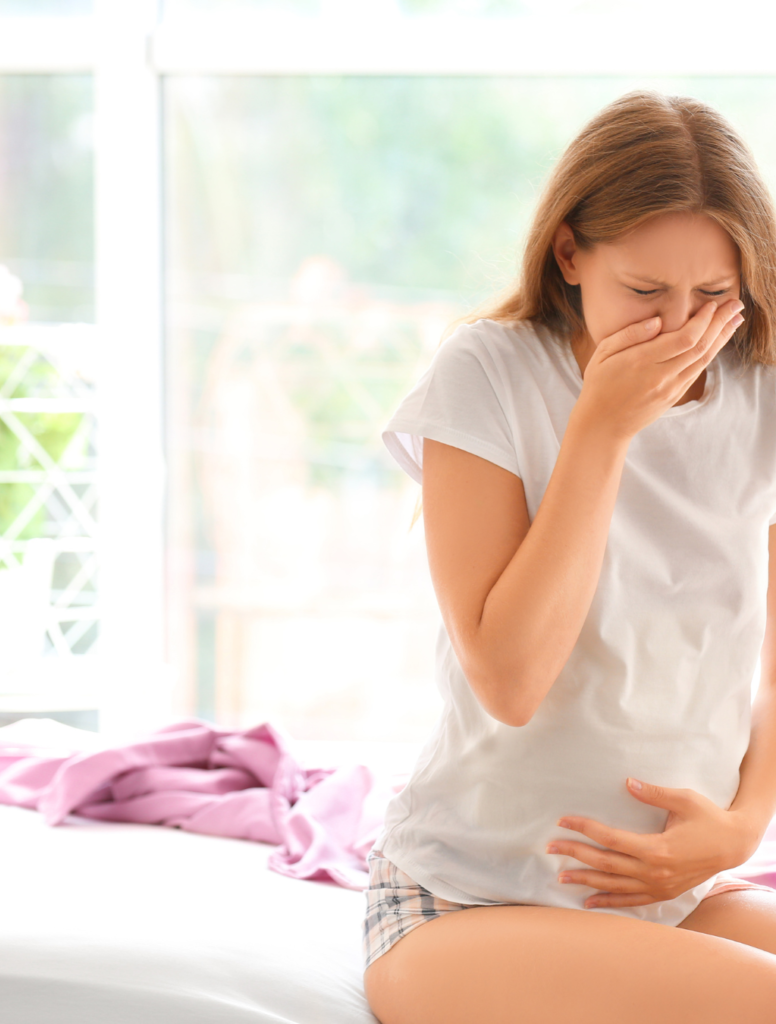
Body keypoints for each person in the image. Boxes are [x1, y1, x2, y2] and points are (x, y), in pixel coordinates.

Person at [362, 90, 776, 1023]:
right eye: (644, 293)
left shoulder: (762, 388)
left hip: (672, 899)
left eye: (712, 295)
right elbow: (509, 678)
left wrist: (740, 826)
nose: (679, 327)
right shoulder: (488, 373)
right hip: (469, 900)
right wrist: (600, 428)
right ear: (569, 254)